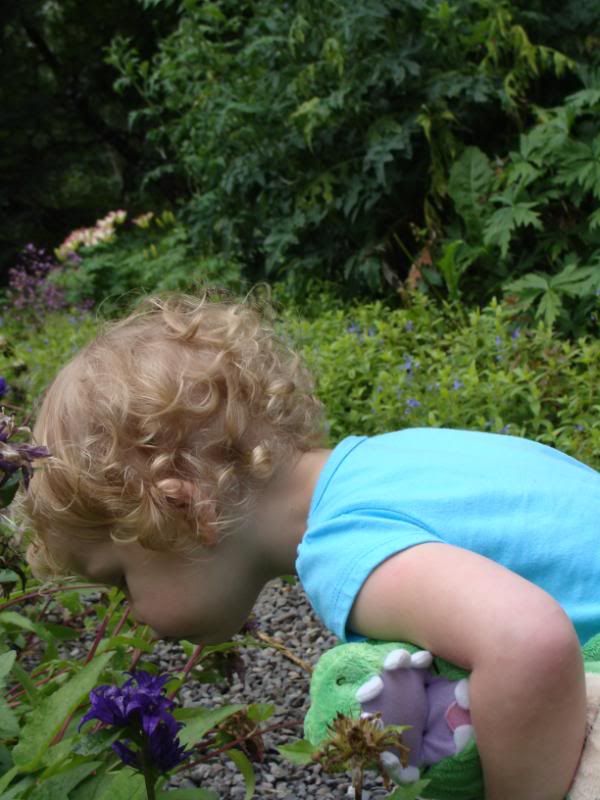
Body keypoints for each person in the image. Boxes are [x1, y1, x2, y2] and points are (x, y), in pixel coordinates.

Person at [21, 291, 600, 800]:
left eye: (120, 581)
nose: (130, 615)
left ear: (180, 508)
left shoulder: (339, 547)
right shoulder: (389, 456)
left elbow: (529, 641)